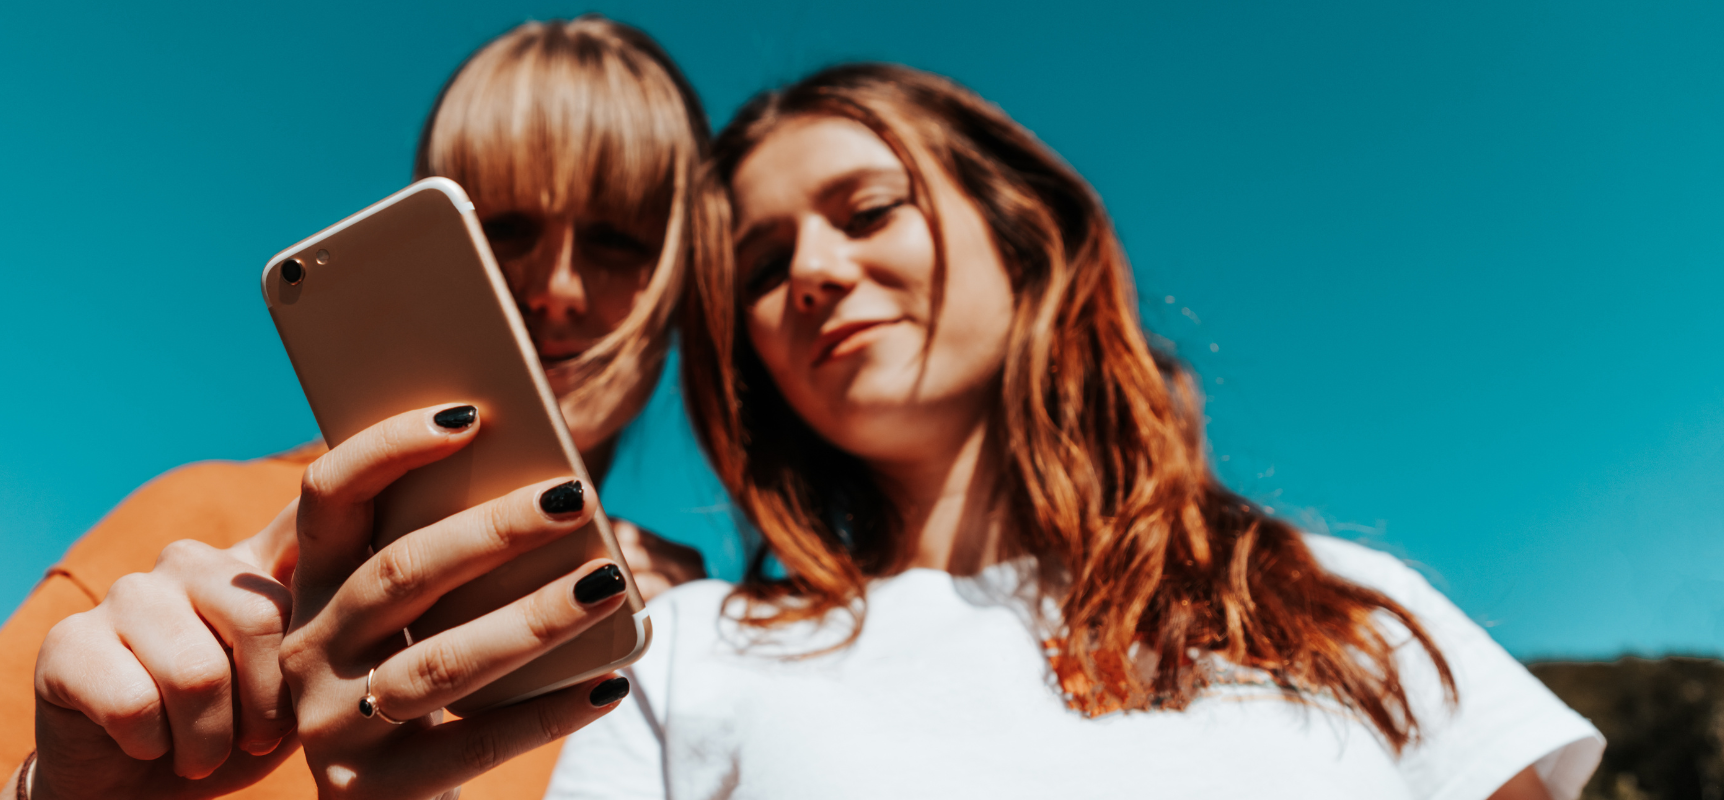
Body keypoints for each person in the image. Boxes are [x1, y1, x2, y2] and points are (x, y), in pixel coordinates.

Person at [546, 64, 1604, 800]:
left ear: (1023, 236)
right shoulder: (686, 651)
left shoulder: (1336, 601)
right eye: (764, 269)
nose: (815, 273)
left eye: (867, 210)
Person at [0, 16, 709, 800]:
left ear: (681, 282)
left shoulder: (695, 624)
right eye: (510, 228)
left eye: (617, 240)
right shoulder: (197, 533)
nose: (559, 288)